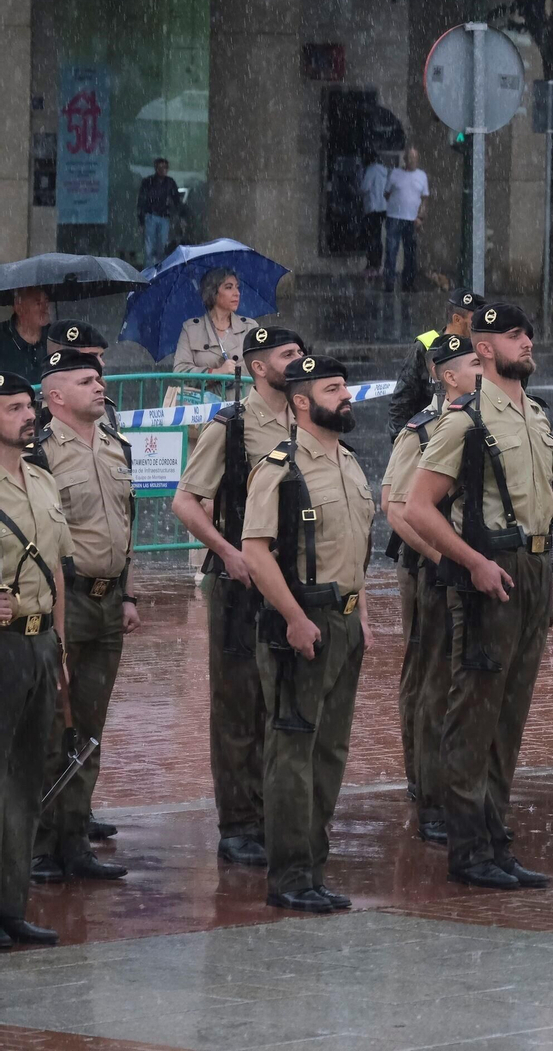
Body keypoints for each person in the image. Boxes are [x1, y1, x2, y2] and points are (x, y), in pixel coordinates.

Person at [405, 302, 553, 891]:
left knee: (510, 714)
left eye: (529, 332)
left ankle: (496, 836)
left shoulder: (535, 417)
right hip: (491, 567)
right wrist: (471, 563)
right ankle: (468, 847)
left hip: (535, 567)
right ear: (485, 347)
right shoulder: (465, 419)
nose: (527, 341)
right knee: (474, 714)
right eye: (514, 334)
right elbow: (419, 508)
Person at [241, 355, 373, 913]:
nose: (346, 396)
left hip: (345, 622)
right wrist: (295, 617)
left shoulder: (350, 463)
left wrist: (362, 613)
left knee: (330, 750)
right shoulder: (281, 468)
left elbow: (356, 551)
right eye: (333, 388)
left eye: (345, 387)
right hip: (301, 624)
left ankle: (313, 866)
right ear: (301, 401)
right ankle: (290, 876)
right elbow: (255, 551)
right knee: (292, 750)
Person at [170, 326, 305, 866]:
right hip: (240, 586)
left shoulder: (306, 417)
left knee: (284, 699)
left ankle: (277, 812)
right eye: (287, 354)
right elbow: (186, 501)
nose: (299, 360)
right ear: (257, 367)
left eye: (300, 352)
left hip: (292, 579)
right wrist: (228, 552)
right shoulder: (232, 426)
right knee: (238, 706)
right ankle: (239, 824)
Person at [27, 351, 138, 884]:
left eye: (99, 378)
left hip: (109, 600)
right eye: (86, 380)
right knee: (53, 722)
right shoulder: (38, 455)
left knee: (89, 727)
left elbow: (127, 522)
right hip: (62, 600)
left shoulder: (117, 446)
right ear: (55, 396)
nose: (100, 386)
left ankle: (75, 840)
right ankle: (40, 845)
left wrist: (130, 593)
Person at [380, 333, 482, 844]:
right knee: (431, 679)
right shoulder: (421, 430)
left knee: (463, 677)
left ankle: (458, 782)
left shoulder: (481, 424)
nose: (482, 370)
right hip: (431, 571)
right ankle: (429, 794)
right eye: (472, 364)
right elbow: (396, 508)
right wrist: (444, 557)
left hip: (468, 567)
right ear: (447, 375)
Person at [0, 369, 67, 950]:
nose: (28, 416)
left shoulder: (41, 479)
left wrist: (60, 645)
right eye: (14, 408)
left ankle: (10, 906)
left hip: (39, 643)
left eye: (29, 405)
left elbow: (58, 568)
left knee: (25, 781)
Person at [387, 288, 482, 440]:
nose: (479, 325)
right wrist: (400, 441)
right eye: (474, 321)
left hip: (470, 434)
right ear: (457, 319)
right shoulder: (426, 345)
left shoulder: (480, 347)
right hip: (430, 436)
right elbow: (402, 398)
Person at [171, 269, 260, 376]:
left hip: (240, 392)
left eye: (237, 287)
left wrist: (236, 371)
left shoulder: (250, 327)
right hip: (205, 392)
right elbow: (180, 370)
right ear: (213, 292)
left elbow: (261, 367)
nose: (237, 293)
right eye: (228, 287)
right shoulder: (191, 329)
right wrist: (216, 372)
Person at [384, 148, 429, 293]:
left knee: (410, 253)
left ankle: (408, 283)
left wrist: (420, 217)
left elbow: (424, 199)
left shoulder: (422, 176)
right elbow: (387, 193)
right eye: (410, 158)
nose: (412, 161)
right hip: (394, 218)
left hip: (412, 220)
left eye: (415, 159)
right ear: (405, 159)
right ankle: (389, 283)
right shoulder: (395, 174)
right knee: (391, 251)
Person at [0, 287, 50, 385]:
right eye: (38, 303)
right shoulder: (2, 337)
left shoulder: (56, 335)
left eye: (46, 301)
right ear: (19, 308)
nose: (45, 307)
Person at [136, 157, 181, 267]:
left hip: (163, 217)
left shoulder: (169, 183)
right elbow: (142, 201)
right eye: (161, 167)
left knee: (161, 248)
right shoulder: (148, 182)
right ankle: (149, 273)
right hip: (151, 216)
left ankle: (159, 272)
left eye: (165, 167)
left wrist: (180, 215)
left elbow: (177, 200)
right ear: (156, 168)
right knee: (149, 250)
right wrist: (141, 219)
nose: (163, 170)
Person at [359, 152, 389, 277]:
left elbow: (364, 187)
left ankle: (371, 265)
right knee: (377, 236)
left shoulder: (371, 170)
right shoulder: (384, 170)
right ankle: (378, 265)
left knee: (371, 236)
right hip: (382, 208)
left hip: (372, 208)